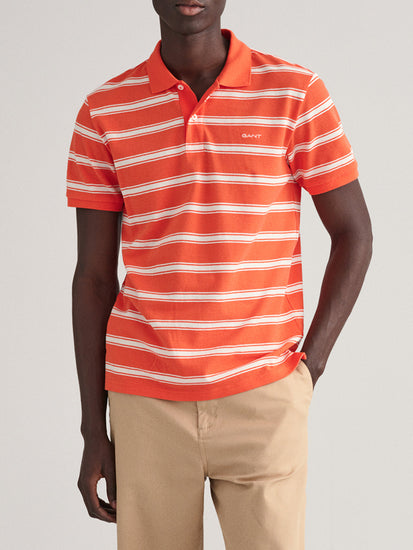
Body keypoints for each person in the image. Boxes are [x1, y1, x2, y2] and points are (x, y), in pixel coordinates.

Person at [66, 1, 372, 548]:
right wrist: (94, 428)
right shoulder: (104, 111)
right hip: (146, 402)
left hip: (263, 393)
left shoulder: (295, 94)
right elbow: (92, 278)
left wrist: (309, 368)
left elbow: (355, 234)